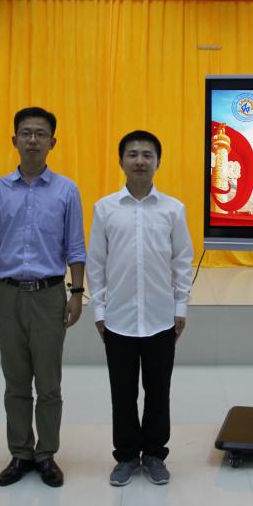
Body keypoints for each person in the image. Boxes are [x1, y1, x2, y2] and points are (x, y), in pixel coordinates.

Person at [0, 106, 86, 488]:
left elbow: (75, 247)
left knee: (49, 384)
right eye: (26, 133)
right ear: (14, 140)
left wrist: (76, 293)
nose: (33, 140)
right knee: (16, 382)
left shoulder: (66, 190)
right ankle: (20, 452)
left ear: (53, 142)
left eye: (40, 134)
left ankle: (47, 454)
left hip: (49, 295)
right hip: (7, 296)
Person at [87, 130, 194, 487]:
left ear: (158, 162)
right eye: (132, 154)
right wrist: (99, 312)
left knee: (158, 391)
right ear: (121, 161)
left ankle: (154, 454)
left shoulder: (173, 209)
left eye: (147, 155)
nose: (140, 161)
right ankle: (126, 456)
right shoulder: (105, 208)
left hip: (161, 318)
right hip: (118, 319)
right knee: (123, 393)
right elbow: (96, 263)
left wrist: (181, 306)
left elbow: (182, 260)